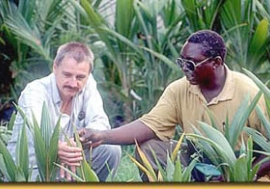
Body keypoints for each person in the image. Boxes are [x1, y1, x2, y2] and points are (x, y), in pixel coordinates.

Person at [77, 30, 269, 182]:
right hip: (198, 159)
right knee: (149, 147)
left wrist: (239, 176)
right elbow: (149, 126)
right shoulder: (179, 89)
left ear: (216, 62)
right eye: (182, 62)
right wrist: (101, 136)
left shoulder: (249, 92)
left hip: (244, 166)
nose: (184, 68)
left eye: (191, 64)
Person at [7, 41, 121, 182]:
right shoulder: (34, 91)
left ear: (88, 74)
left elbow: (101, 124)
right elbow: (37, 131)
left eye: (80, 77)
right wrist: (58, 148)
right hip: (32, 170)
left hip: (70, 164)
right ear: (55, 67)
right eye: (67, 75)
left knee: (111, 149)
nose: (73, 83)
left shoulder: (89, 84)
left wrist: (75, 145)